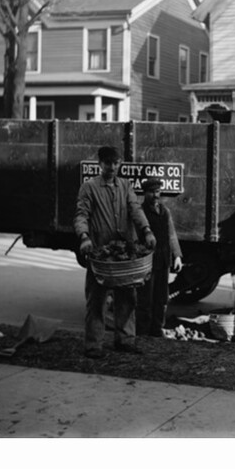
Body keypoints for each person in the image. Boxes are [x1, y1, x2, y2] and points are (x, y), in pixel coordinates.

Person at [74, 146, 157, 358]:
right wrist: (84, 237)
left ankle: (125, 341)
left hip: (125, 252)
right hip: (101, 253)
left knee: (128, 297)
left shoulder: (125, 185)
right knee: (97, 299)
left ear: (120, 164)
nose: (112, 167)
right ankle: (93, 345)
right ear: (99, 164)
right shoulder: (89, 187)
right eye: (107, 163)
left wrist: (147, 231)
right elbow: (82, 214)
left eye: (115, 163)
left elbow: (135, 209)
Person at [136, 178, 183, 337]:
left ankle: (157, 329)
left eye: (157, 191)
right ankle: (143, 331)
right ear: (145, 193)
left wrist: (177, 256)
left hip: (163, 261)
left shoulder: (165, 211)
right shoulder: (140, 212)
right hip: (147, 262)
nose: (155, 195)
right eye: (151, 192)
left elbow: (171, 234)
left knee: (161, 297)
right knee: (145, 298)